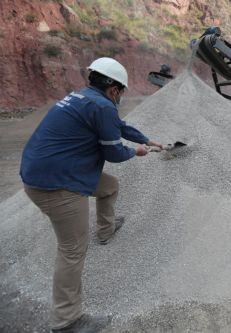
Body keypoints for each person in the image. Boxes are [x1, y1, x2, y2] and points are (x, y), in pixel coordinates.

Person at [20, 57, 163, 332]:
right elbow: (113, 151)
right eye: (121, 92)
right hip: (57, 184)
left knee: (108, 187)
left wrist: (146, 139)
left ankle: (106, 230)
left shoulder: (83, 98)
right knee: (72, 250)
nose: (120, 97)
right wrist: (137, 151)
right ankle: (67, 320)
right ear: (114, 89)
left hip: (47, 170)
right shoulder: (102, 106)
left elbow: (119, 126)